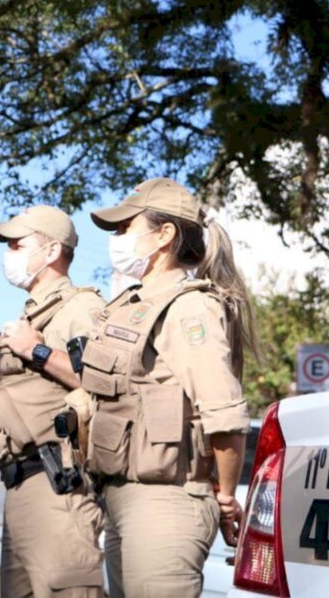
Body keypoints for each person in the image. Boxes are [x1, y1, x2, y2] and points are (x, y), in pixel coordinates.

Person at [82, 178, 255, 597]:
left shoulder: (190, 307)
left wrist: (226, 496)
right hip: (123, 497)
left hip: (167, 502)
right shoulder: (133, 305)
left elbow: (224, 412)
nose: (118, 239)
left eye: (126, 228)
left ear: (164, 235)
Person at [0, 204, 106, 598]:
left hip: (58, 486)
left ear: (51, 252)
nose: (8, 254)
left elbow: (101, 380)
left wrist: (37, 352)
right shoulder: (32, 314)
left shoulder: (81, 308)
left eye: (17, 244)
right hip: (19, 486)